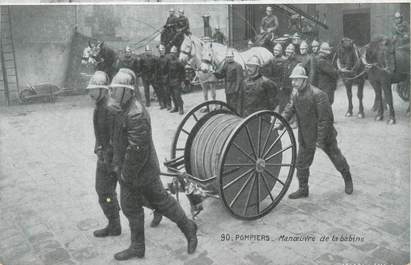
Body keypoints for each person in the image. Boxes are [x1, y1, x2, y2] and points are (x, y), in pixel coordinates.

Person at [107, 70, 197, 261]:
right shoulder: (123, 108)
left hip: (142, 172)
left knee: (164, 203)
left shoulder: (135, 114)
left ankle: (189, 228)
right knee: (131, 208)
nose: (112, 93)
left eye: (116, 89)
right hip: (130, 171)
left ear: (127, 91)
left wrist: (125, 175)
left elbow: (137, 150)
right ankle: (138, 247)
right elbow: (119, 141)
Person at [279, 65, 353, 199]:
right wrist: (280, 122)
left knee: (336, 158)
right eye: (292, 80)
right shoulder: (295, 93)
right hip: (306, 135)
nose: (293, 83)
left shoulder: (318, 94)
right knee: (301, 163)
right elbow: (289, 109)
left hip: (325, 135)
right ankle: (303, 189)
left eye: (296, 80)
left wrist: (320, 140)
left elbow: (325, 120)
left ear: (304, 80)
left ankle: (347, 179)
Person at [86, 71, 121, 238]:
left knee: (134, 191)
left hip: (113, 159)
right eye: (90, 89)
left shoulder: (110, 107)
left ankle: (157, 208)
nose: (90, 93)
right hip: (104, 157)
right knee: (104, 192)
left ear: (104, 90)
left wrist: (110, 158)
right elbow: (100, 133)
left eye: (95, 89)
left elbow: (117, 137)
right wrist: (98, 148)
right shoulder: (100, 106)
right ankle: (114, 224)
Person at [213, 49, 244, 114]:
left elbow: (239, 78)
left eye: (230, 57)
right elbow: (222, 75)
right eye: (228, 57)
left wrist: (237, 89)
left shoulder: (237, 65)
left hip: (235, 87)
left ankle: (236, 115)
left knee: (235, 103)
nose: (229, 58)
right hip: (228, 88)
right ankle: (231, 114)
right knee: (229, 103)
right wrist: (215, 73)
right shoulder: (226, 65)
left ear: (233, 57)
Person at [279, 43, 299, 113]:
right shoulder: (284, 62)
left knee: (292, 106)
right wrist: (281, 85)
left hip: (292, 87)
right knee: (282, 105)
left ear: (293, 53)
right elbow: (281, 74)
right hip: (284, 87)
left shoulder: (297, 63)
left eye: (289, 52)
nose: (287, 54)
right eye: (287, 52)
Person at [168, 46, 185, 114]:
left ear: (176, 53)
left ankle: (181, 108)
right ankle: (176, 107)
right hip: (170, 81)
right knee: (172, 95)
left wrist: (182, 81)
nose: (172, 54)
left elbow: (183, 72)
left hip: (177, 80)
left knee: (177, 95)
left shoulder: (179, 62)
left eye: (174, 53)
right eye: (171, 53)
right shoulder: (168, 61)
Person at [157, 44, 172, 110]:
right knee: (161, 92)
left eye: (162, 49)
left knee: (167, 92)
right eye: (160, 50)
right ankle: (164, 105)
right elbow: (157, 69)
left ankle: (169, 105)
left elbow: (170, 69)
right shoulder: (158, 59)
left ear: (165, 50)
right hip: (160, 78)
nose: (161, 51)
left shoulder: (167, 58)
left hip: (166, 77)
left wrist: (168, 77)